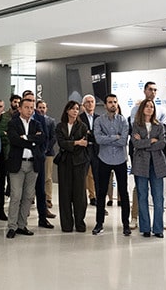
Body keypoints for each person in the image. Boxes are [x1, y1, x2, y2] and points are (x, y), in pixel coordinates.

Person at [5, 96, 45, 239]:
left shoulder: (37, 123)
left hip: (33, 163)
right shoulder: (13, 123)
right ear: (20, 108)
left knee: (28, 196)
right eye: (26, 107)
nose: (29, 110)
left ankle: (22, 225)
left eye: (31, 108)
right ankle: (12, 226)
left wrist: (26, 138)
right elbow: (15, 140)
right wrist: (32, 140)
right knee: (16, 196)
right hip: (18, 163)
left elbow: (42, 139)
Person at [92, 93, 130, 236]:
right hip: (104, 159)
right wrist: (115, 137)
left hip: (120, 160)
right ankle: (99, 223)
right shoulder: (99, 121)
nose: (112, 104)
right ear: (105, 105)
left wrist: (109, 138)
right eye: (110, 102)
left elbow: (123, 141)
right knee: (101, 192)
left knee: (124, 193)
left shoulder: (124, 121)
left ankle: (125, 224)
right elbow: (98, 139)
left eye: (115, 102)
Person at [132, 99, 166, 238]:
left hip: (157, 164)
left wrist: (144, 143)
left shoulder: (159, 126)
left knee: (158, 198)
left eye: (151, 107)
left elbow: (162, 144)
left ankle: (158, 229)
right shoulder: (136, 125)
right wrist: (150, 141)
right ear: (142, 109)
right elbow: (135, 143)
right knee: (142, 196)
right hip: (141, 163)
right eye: (147, 106)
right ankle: (145, 228)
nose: (149, 108)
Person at [55, 100, 90, 233]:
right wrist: (76, 142)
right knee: (65, 194)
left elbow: (84, 144)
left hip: (79, 163)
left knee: (80, 194)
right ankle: (67, 225)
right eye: (73, 108)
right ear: (67, 110)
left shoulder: (82, 126)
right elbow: (61, 143)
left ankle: (80, 223)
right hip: (64, 163)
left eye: (77, 109)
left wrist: (72, 144)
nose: (75, 111)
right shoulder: (60, 126)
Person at [33, 97, 56, 228]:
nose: (41, 109)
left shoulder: (49, 120)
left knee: (46, 179)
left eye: (43, 107)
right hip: (32, 154)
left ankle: (47, 204)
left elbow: (50, 137)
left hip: (46, 154)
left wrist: (45, 149)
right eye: (39, 107)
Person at [79, 95, 99, 206]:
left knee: (97, 176)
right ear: (83, 104)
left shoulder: (99, 118)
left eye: (92, 101)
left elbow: (99, 135)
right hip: (84, 150)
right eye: (87, 102)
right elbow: (82, 134)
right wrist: (92, 134)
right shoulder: (79, 118)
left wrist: (90, 134)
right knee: (83, 176)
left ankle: (96, 198)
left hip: (96, 150)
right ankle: (82, 201)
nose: (90, 104)